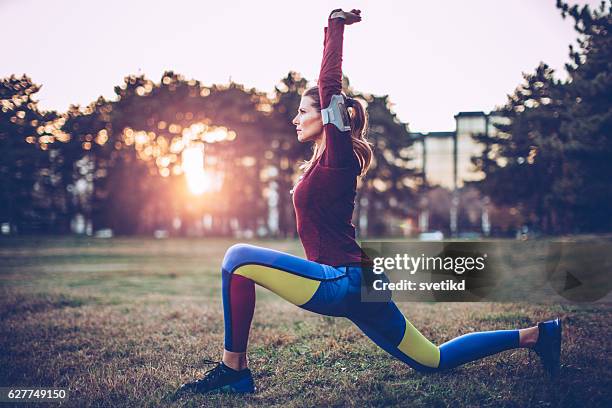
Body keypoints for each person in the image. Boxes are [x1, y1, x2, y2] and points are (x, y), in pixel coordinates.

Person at [177, 8, 562, 396]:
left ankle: (234, 371)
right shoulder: (322, 164)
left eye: (302, 111)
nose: (295, 119)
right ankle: (536, 336)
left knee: (237, 259)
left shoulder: (338, 155)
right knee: (433, 359)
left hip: (343, 281)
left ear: (325, 117)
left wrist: (335, 27)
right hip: (363, 282)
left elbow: (329, 84)